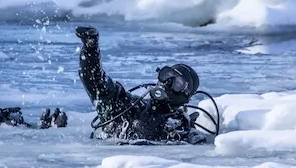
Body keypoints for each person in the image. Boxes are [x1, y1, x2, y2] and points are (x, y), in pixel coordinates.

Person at [75, 26, 208, 144]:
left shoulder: (179, 126)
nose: (167, 83)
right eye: (167, 75)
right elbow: (95, 81)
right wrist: (90, 48)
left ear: (185, 97)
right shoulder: (129, 106)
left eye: (177, 83)